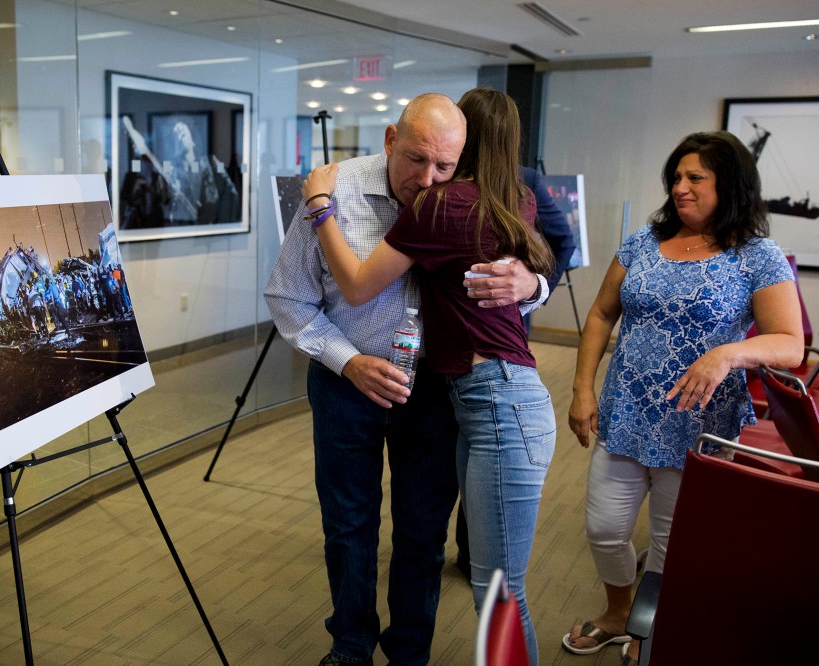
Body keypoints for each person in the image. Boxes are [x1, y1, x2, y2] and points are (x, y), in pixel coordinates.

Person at [264, 93, 546, 666]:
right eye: (416, 160)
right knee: (349, 525)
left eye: (445, 166)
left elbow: (521, 267)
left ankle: (409, 652)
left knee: (422, 532)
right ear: (391, 139)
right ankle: (350, 645)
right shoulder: (333, 190)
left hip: (435, 392)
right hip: (347, 385)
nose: (428, 178)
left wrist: (532, 285)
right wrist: (348, 360)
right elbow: (288, 298)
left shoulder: (459, 200)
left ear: (463, 158)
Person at [562, 131, 804, 665]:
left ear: (731, 185)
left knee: (673, 541)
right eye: (676, 177)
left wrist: (727, 355)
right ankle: (617, 611)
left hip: (699, 422)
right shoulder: (644, 241)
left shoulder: (756, 255)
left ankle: (651, 626)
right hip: (626, 411)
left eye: (696, 178)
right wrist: (582, 389)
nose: (680, 188)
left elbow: (790, 343)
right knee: (604, 530)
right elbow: (602, 313)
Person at [454, 162, 576, 580]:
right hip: (443, 362)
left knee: (499, 577)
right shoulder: (438, 184)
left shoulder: (524, 182)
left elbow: (563, 240)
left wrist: (532, 288)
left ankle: (474, 552)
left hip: (499, 356)